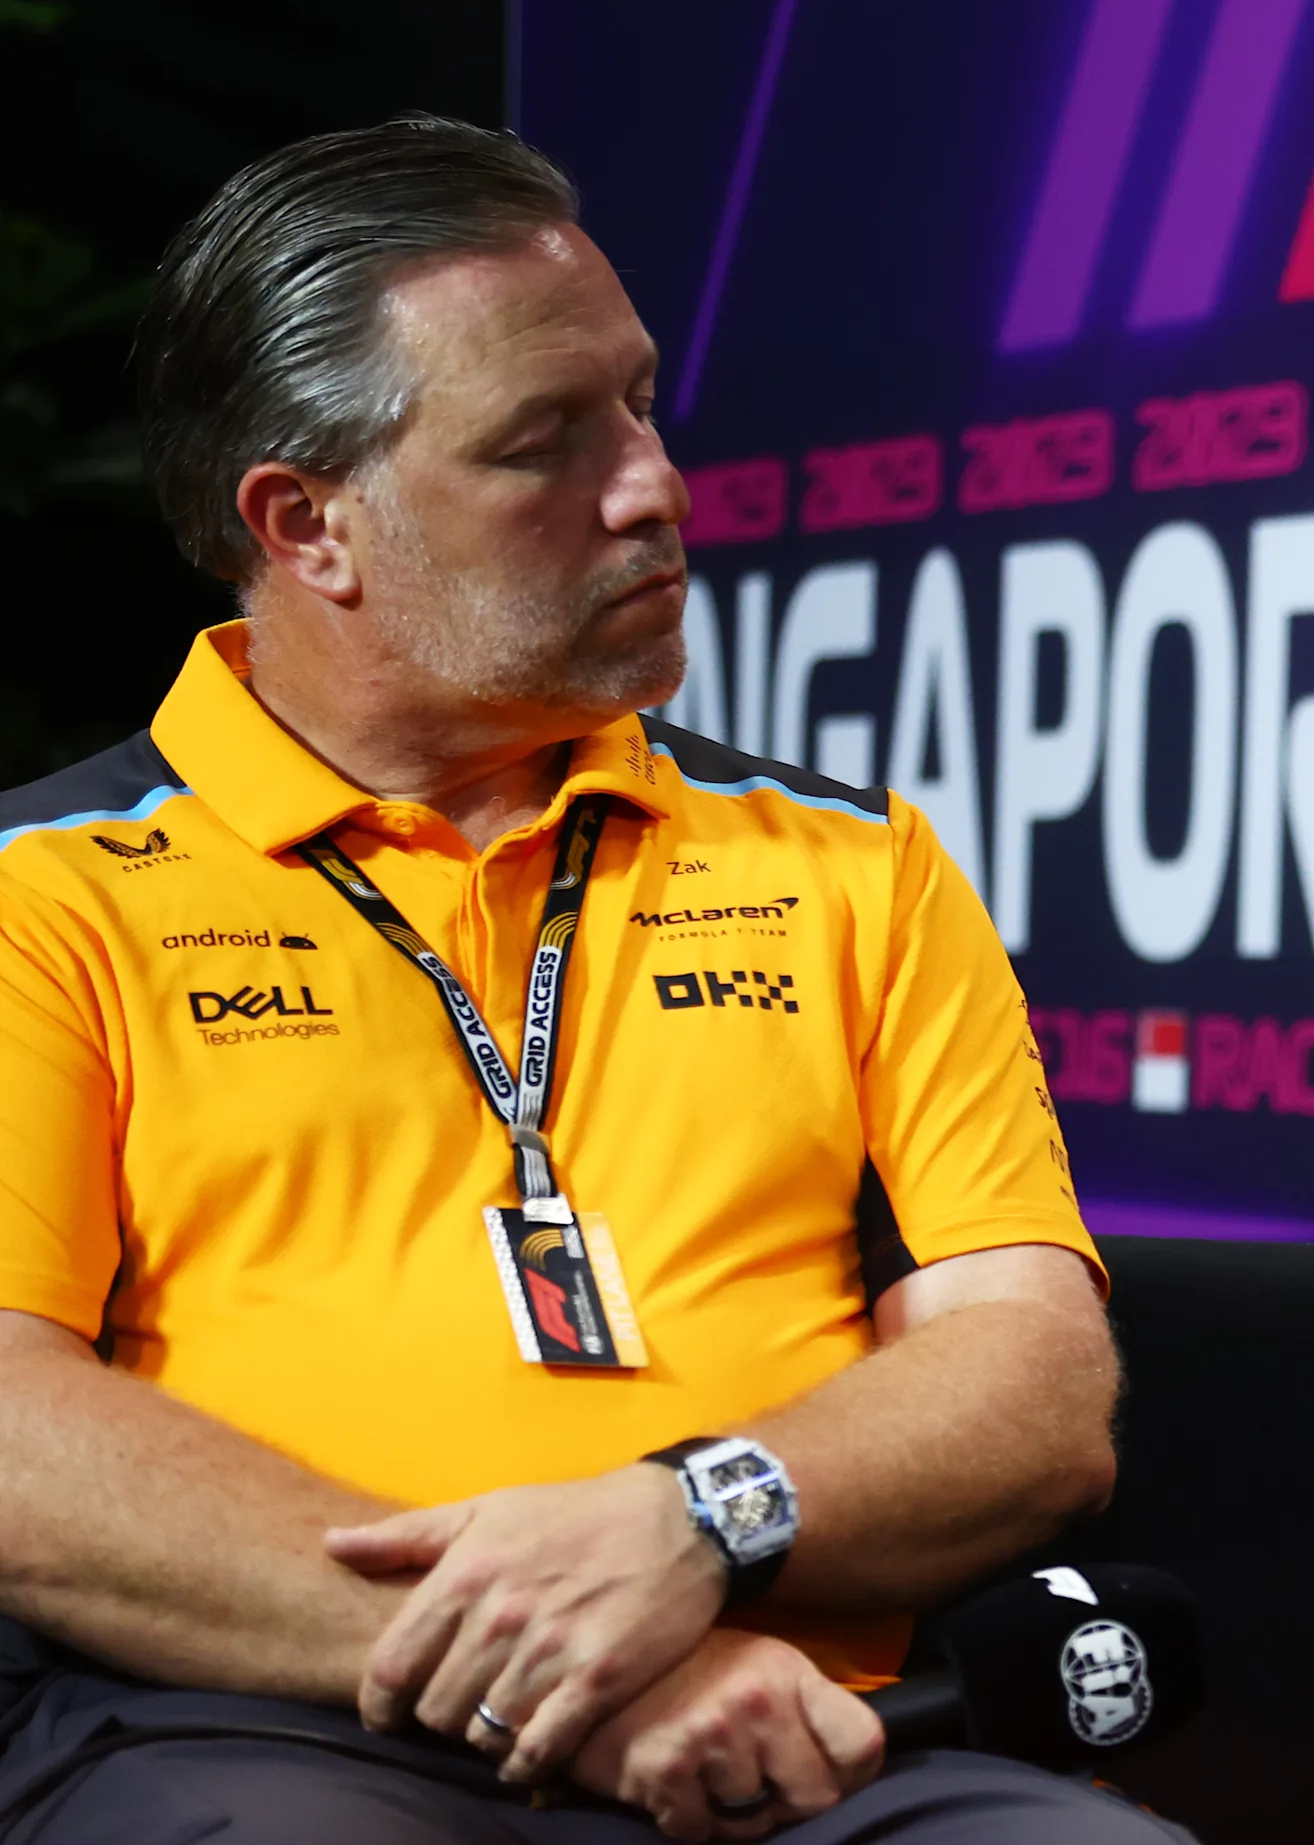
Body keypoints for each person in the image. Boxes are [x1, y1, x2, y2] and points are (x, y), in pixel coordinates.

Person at [0, 119, 1181, 1842]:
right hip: (261, 1730)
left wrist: (705, 1517)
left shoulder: (849, 863)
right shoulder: (46, 893)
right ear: (308, 523)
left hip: (807, 1737)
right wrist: (586, 1671)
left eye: (636, 403)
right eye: (544, 443)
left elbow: (1034, 1383)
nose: (652, 484)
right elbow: (19, 1445)